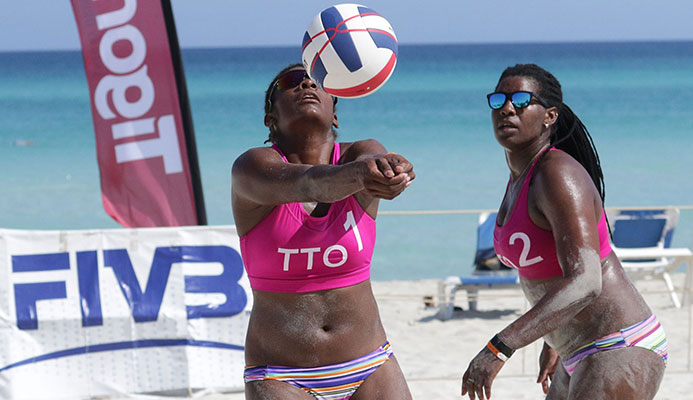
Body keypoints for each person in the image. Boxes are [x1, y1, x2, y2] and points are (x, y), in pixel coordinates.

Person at [461, 64, 668, 400]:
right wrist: (551, 338)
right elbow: (551, 268)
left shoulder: (557, 175)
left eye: (522, 100)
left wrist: (499, 347)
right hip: (576, 350)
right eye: (499, 101)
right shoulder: (521, 177)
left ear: (550, 116)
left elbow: (586, 281)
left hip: (617, 344)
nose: (507, 109)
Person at [232, 63, 415, 399]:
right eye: (290, 82)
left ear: (334, 116)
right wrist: (365, 174)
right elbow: (309, 183)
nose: (305, 83)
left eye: (317, 81)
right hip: (279, 376)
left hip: (371, 365)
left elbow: (376, 161)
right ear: (270, 119)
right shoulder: (252, 168)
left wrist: (391, 171)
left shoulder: (362, 153)